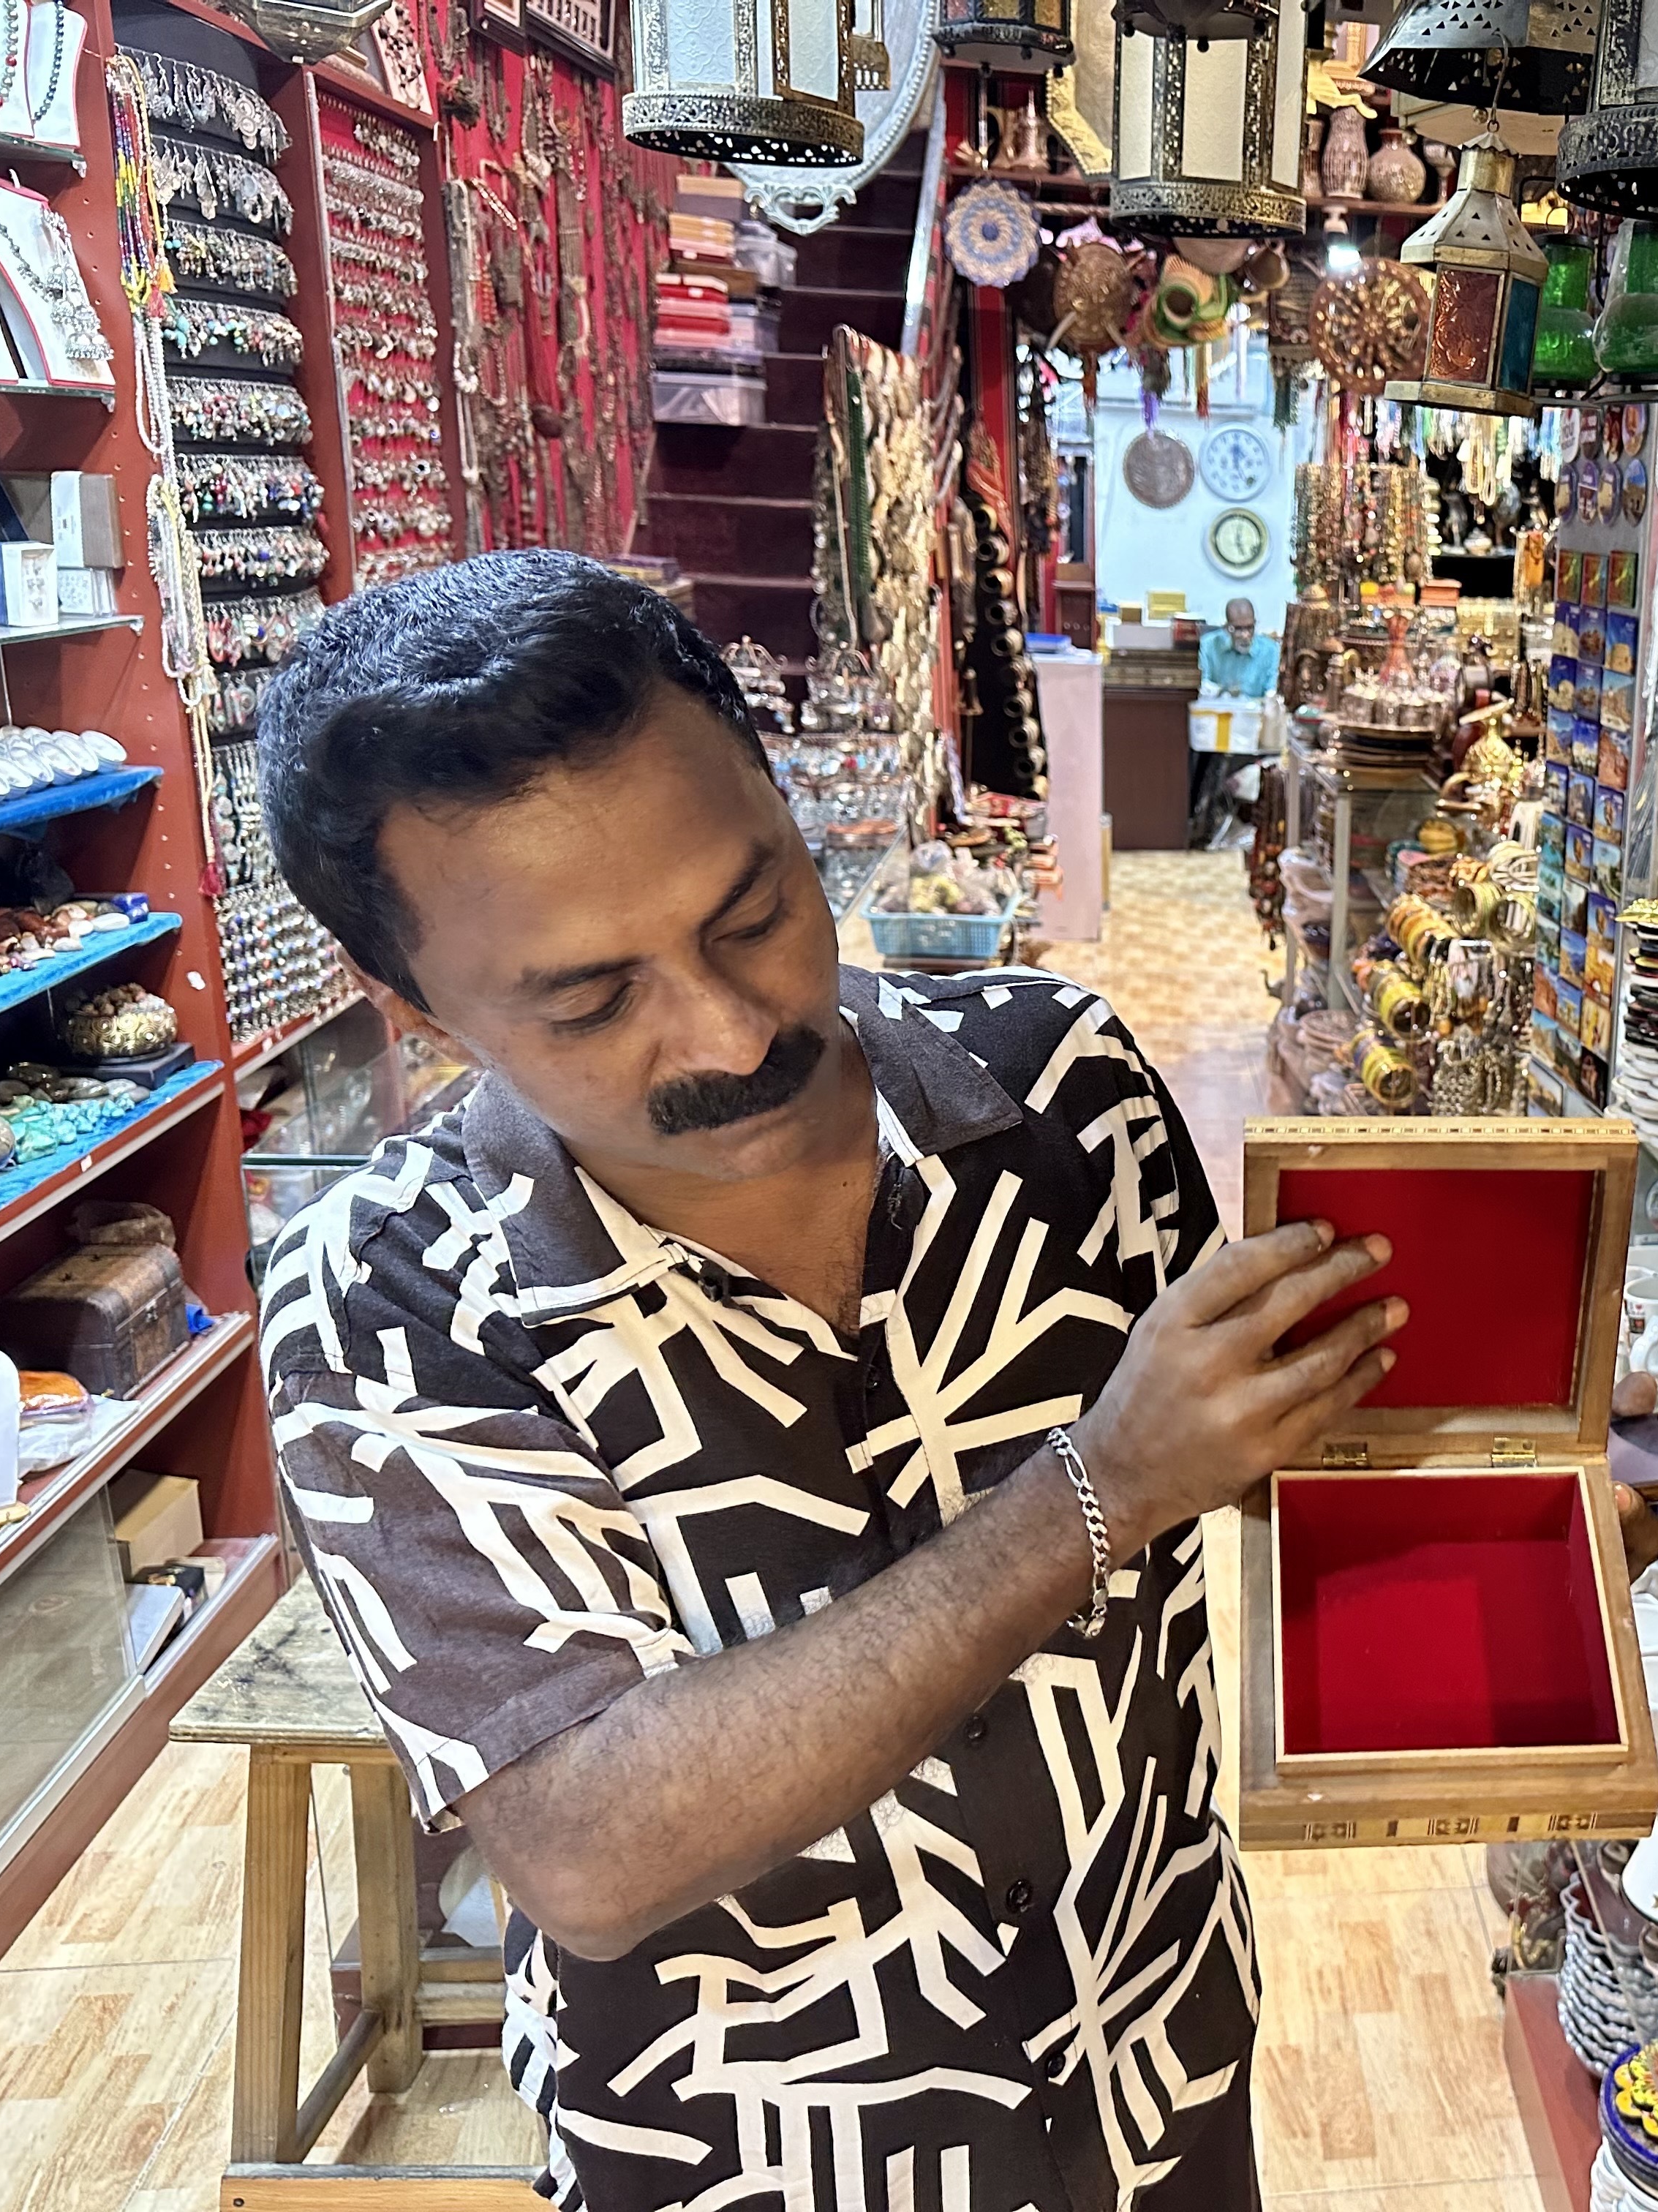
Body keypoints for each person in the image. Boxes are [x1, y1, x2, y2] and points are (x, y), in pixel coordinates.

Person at [251, 549, 1408, 2212]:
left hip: (1156, 2068)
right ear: (415, 1006)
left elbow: (1237, 1451)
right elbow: (588, 1843)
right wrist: (1095, 1491)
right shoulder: (391, 1293)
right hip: (756, 2156)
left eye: (756, 912)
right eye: (594, 1000)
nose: (732, 1033)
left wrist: (1498, 1485)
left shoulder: (1062, 1088)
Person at [1189, 598, 1279, 849]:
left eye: (1249, 628)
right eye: (1237, 629)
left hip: (1254, 731)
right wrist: (1226, 695)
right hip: (1216, 727)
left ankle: (1221, 823)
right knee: (1207, 758)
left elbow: (1271, 693)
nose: (1244, 635)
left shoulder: (1269, 650)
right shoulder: (1210, 645)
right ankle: (1201, 823)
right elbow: (1204, 685)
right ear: (1226, 627)